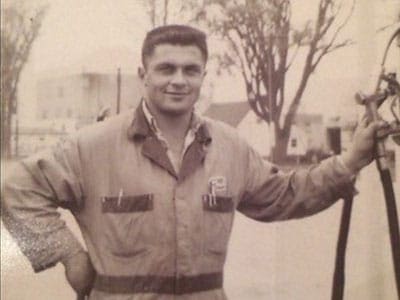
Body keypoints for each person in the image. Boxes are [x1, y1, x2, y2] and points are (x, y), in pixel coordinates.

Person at [2, 25, 386, 300]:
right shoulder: (93, 146)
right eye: (166, 68)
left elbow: (284, 195)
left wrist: (350, 160)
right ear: (143, 74)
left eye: (191, 70)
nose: (178, 80)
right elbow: (16, 189)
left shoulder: (229, 147)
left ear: (203, 77)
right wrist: (68, 255)